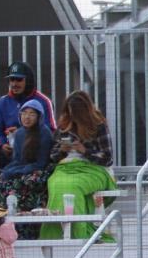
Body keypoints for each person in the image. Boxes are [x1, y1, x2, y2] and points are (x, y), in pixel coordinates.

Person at [42, 91, 116, 241]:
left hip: (93, 169)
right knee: (55, 183)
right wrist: (62, 151)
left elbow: (107, 158)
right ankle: (57, 234)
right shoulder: (63, 126)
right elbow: (52, 156)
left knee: (74, 186)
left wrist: (85, 151)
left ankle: (77, 231)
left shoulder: (99, 126)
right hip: (65, 167)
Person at [0, 62, 56, 155]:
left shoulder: (44, 101)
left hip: (35, 154)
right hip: (9, 155)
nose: (14, 84)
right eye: (11, 79)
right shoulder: (2, 102)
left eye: (19, 79)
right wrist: (1, 145)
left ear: (28, 80)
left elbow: (51, 132)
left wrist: (23, 134)